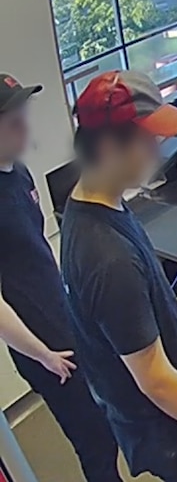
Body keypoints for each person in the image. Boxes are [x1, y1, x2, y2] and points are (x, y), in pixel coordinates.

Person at [60, 71, 177, 482]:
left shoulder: (92, 206)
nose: (157, 147)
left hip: (161, 428)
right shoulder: (107, 257)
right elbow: (156, 380)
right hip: (176, 436)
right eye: (147, 138)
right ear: (110, 145)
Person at [0, 74, 123, 482]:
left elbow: (34, 253)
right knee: (94, 442)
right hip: (44, 349)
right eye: (12, 120)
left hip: (67, 322)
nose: (24, 126)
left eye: (22, 115)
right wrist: (43, 355)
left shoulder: (18, 173)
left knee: (110, 423)